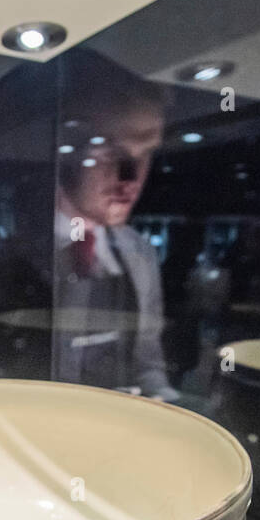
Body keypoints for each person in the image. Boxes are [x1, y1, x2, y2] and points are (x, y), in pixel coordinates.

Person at [52, 48, 177, 400]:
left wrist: (168, 406)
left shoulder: (139, 253)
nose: (131, 178)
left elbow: (148, 363)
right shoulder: (20, 252)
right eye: (111, 152)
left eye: (145, 154)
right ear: (67, 149)